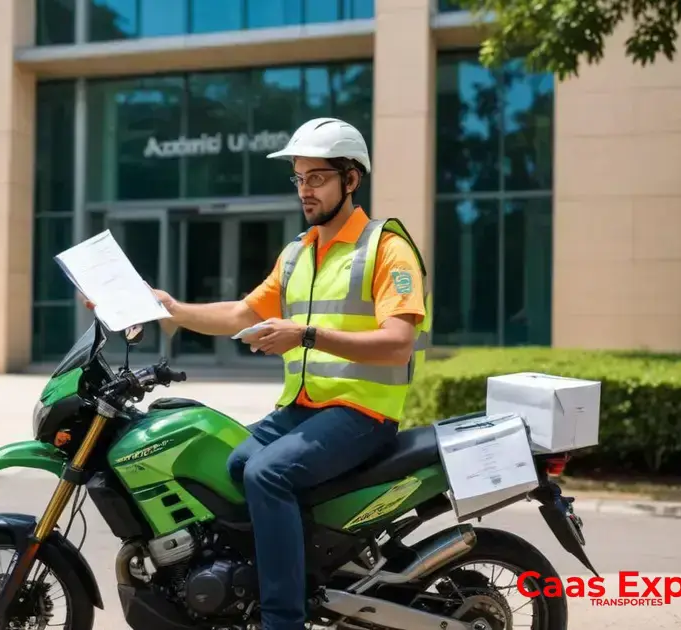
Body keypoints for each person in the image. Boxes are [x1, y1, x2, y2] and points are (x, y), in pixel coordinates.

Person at [85, 117, 431, 630]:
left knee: (269, 474)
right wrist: (171, 308)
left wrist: (306, 334)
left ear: (351, 180)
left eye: (317, 178)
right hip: (305, 408)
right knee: (233, 465)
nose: (305, 190)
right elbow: (241, 314)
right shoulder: (299, 253)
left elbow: (398, 344)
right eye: (299, 178)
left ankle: (282, 620)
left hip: (362, 413)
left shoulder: (385, 247)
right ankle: (299, 569)